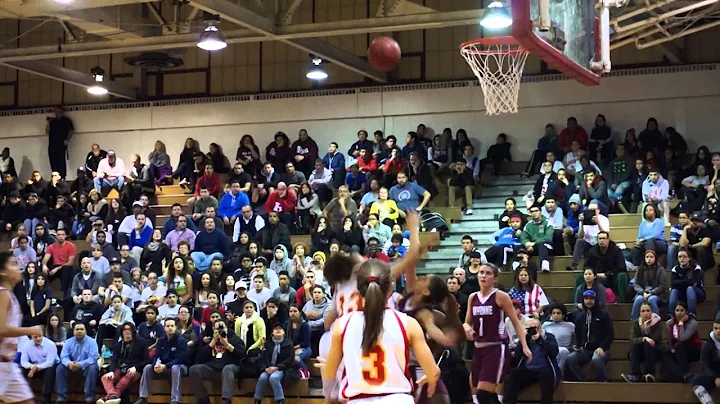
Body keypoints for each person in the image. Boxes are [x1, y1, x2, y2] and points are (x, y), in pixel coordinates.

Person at [322, 257, 441, 404]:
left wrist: (328, 365)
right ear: (390, 288)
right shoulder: (408, 324)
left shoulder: (342, 325)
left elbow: (329, 373)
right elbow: (433, 372)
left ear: (359, 289)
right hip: (398, 399)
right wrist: (431, 378)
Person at [464, 263, 531, 404]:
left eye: (488, 273)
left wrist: (525, 346)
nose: (483, 275)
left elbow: (516, 322)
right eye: (481, 272)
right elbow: (467, 322)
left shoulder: (501, 296)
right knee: (486, 394)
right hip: (478, 349)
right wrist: (466, 328)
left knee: (483, 393)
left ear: (495, 279)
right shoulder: (472, 298)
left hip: (495, 349)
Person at [0, 252, 44, 403]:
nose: (18, 267)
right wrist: (30, 330)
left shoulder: (11, 295)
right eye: (13, 264)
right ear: (3, 271)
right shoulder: (2, 295)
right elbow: (1, 329)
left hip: (8, 365)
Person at [502, 318, 560, 404]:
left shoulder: (548, 337)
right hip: (528, 369)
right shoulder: (524, 338)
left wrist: (540, 340)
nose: (532, 331)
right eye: (529, 329)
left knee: (547, 380)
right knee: (514, 374)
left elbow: (554, 352)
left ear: (540, 328)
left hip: (545, 369)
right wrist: (523, 341)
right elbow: (518, 357)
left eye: (534, 328)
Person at [189, 316, 246, 404]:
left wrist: (227, 345)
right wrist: (212, 342)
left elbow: (241, 355)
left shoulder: (234, 338)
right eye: (217, 328)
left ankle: (226, 400)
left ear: (227, 328)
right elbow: (200, 358)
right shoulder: (210, 340)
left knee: (228, 369)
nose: (220, 330)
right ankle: (203, 399)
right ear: (213, 329)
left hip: (230, 367)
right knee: (194, 369)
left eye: (222, 328)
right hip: (212, 368)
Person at [134, 318, 189, 404]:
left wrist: (166, 366)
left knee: (175, 368)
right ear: (164, 328)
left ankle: (175, 400)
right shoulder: (161, 340)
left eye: (172, 326)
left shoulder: (181, 341)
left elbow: (180, 359)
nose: (170, 328)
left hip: (181, 366)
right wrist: (155, 365)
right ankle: (143, 397)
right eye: (168, 326)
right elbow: (156, 355)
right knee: (148, 367)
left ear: (175, 328)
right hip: (164, 366)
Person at [564, 290, 613, 382]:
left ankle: (604, 382)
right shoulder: (580, 316)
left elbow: (610, 334)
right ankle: (583, 381)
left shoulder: (604, 315)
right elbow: (577, 334)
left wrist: (602, 347)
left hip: (602, 349)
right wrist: (577, 345)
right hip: (585, 350)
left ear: (595, 300)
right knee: (570, 359)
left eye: (591, 298)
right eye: (586, 299)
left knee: (596, 359)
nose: (589, 301)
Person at [98, 322, 149, 404]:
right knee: (105, 377)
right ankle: (113, 396)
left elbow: (146, 360)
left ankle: (107, 398)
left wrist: (135, 367)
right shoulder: (118, 345)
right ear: (121, 332)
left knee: (128, 376)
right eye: (125, 329)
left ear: (133, 331)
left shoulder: (142, 343)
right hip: (121, 368)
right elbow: (114, 360)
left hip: (135, 370)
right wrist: (111, 371)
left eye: (129, 329)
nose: (127, 331)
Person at [620, 301, 670, 383]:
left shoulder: (657, 322)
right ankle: (635, 374)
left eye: (648, 311)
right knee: (635, 345)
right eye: (643, 311)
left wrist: (647, 329)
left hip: (655, 351)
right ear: (639, 313)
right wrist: (644, 338)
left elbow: (655, 339)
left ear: (651, 312)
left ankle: (650, 373)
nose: (645, 313)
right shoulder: (636, 323)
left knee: (648, 344)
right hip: (641, 351)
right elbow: (632, 339)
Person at [56, 322, 100, 403]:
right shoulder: (68, 342)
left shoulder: (92, 342)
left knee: (93, 367)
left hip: (86, 368)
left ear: (85, 331)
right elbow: (64, 356)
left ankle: (89, 397)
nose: (79, 331)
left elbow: (93, 358)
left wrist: (80, 364)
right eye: (77, 329)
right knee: (60, 368)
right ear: (73, 331)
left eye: (81, 329)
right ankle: (61, 397)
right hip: (71, 367)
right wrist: (69, 363)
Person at [665, 302, 701, 383]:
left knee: (679, 345)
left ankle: (685, 373)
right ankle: (679, 376)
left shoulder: (693, 323)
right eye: (677, 310)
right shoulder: (669, 323)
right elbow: (670, 340)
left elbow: (682, 338)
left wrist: (681, 324)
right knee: (666, 354)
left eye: (682, 310)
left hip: (693, 349)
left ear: (686, 312)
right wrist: (672, 350)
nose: (679, 313)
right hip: (678, 350)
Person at [19, 333, 58, 404]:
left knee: (50, 370)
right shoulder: (27, 345)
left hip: (47, 367)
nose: (38, 339)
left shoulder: (50, 344)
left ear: (42, 335)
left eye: (40, 336)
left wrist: (36, 368)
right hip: (34, 367)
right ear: (31, 337)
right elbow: (23, 362)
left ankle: (45, 399)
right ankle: (22, 397)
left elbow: (50, 362)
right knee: (21, 370)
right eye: (35, 337)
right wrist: (31, 367)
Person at [630, 250, 668, 320]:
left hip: (657, 294)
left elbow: (662, 285)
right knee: (638, 299)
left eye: (651, 257)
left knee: (651, 299)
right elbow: (635, 283)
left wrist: (651, 293)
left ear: (655, 258)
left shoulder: (660, 270)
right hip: (642, 293)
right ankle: (634, 321)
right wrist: (643, 292)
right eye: (647, 257)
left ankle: (656, 321)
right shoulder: (640, 269)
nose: (649, 259)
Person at [669, 249, 705, 316]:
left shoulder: (696, 268)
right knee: (674, 291)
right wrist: (687, 282)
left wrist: (679, 284)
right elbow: (673, 284)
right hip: (683, 293)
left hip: (697, 292)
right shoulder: (675, 269)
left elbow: (694, 282)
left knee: (690, 288)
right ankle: (671, 315)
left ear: (689, 258)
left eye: (684, 256)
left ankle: (691, 314)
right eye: (680, 257)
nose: (682, 259)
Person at [520, 205, 554, 272]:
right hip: (533, 248)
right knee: (519, 246)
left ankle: (545, 264)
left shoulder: (547, 222)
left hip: (547, 246)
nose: (534, 213)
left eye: (536, 211)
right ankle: (516, 265)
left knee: (541, 245)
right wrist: (527, 244)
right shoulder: (528, 225)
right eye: (532, 211)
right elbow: (524, 237)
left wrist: (534, 243)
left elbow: (548, 238)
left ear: (541, 212)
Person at [45, 106, 74, 178]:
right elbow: (47, 132)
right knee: (53, 162)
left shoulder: (66, 120)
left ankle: (62, 177)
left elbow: (71, 130)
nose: (56, 113)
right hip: (52, 145)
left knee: (61, 162)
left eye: (58, 111)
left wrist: (67, 139)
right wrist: (48, 122)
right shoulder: (52, 122)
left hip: (61, 144)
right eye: (55, 112)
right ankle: (55, 176)